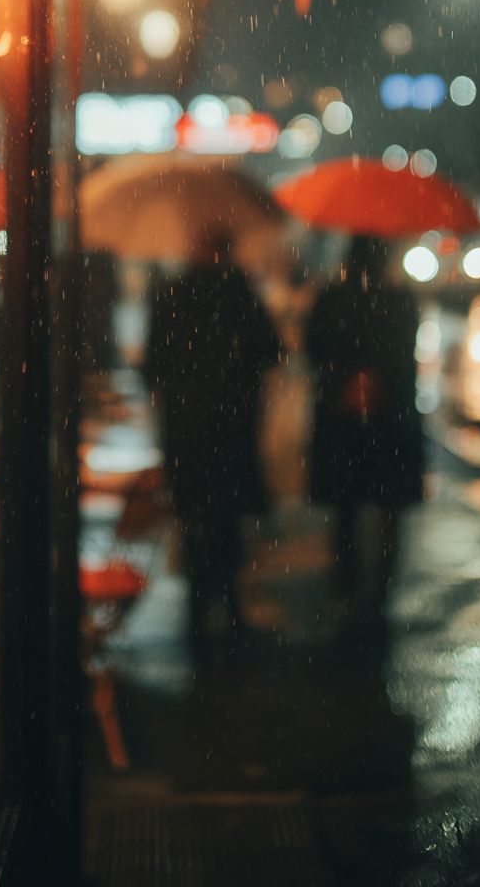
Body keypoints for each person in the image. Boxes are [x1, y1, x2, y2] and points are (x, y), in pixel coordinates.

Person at [144, 231, 281, 662]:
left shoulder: (173, 293)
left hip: (187, 430)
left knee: (195, 516)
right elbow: (272, 350)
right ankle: (230, 608)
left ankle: (199, 609)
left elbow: (152, 364)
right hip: (232, 429)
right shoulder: (238, 293)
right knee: (226, 519)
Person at [306, 235, 423, 622]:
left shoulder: (331, 298)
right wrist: (378, 378)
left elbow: (314, 348)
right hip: (390, 419)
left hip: (344, 418)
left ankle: (346, 586)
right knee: (388, 506)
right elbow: (405, 355)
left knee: (346, 503)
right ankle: (381, 590)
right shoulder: (401, 300)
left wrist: (346, 378)